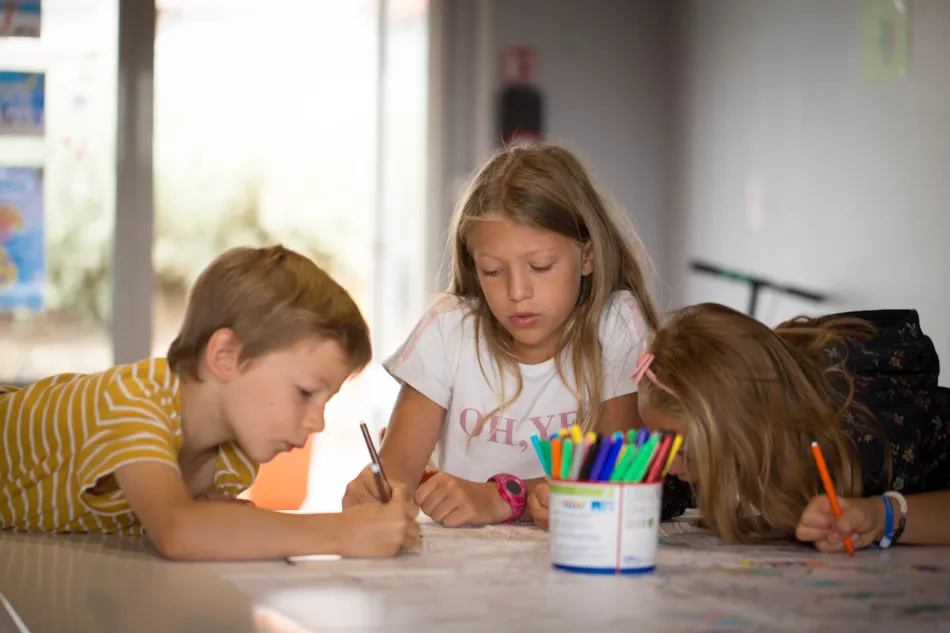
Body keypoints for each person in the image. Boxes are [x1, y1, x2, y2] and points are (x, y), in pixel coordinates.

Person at [1, 245, 419, 560]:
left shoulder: (235, 458)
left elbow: (209, 528)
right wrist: (343, 532)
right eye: (306, 392)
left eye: (326, 401)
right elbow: (178, 530)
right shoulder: (133, 403)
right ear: (225, 357)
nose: (318, 423)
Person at [342, 143, 666, 527]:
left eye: (540, 266)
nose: (517, 292)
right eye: (493, 271)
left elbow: (622, 471)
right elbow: (397, 475)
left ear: (587, 257)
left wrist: (503, 497)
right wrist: (375, 493)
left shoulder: (615, 324)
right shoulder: (448, 329)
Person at [631, 303, 950, 550]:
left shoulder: (859, 434)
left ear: (741, 426)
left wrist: (882, 515)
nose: (670, 464)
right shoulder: (763, 402)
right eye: (663, 446)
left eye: (682, 451)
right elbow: (686, 483)